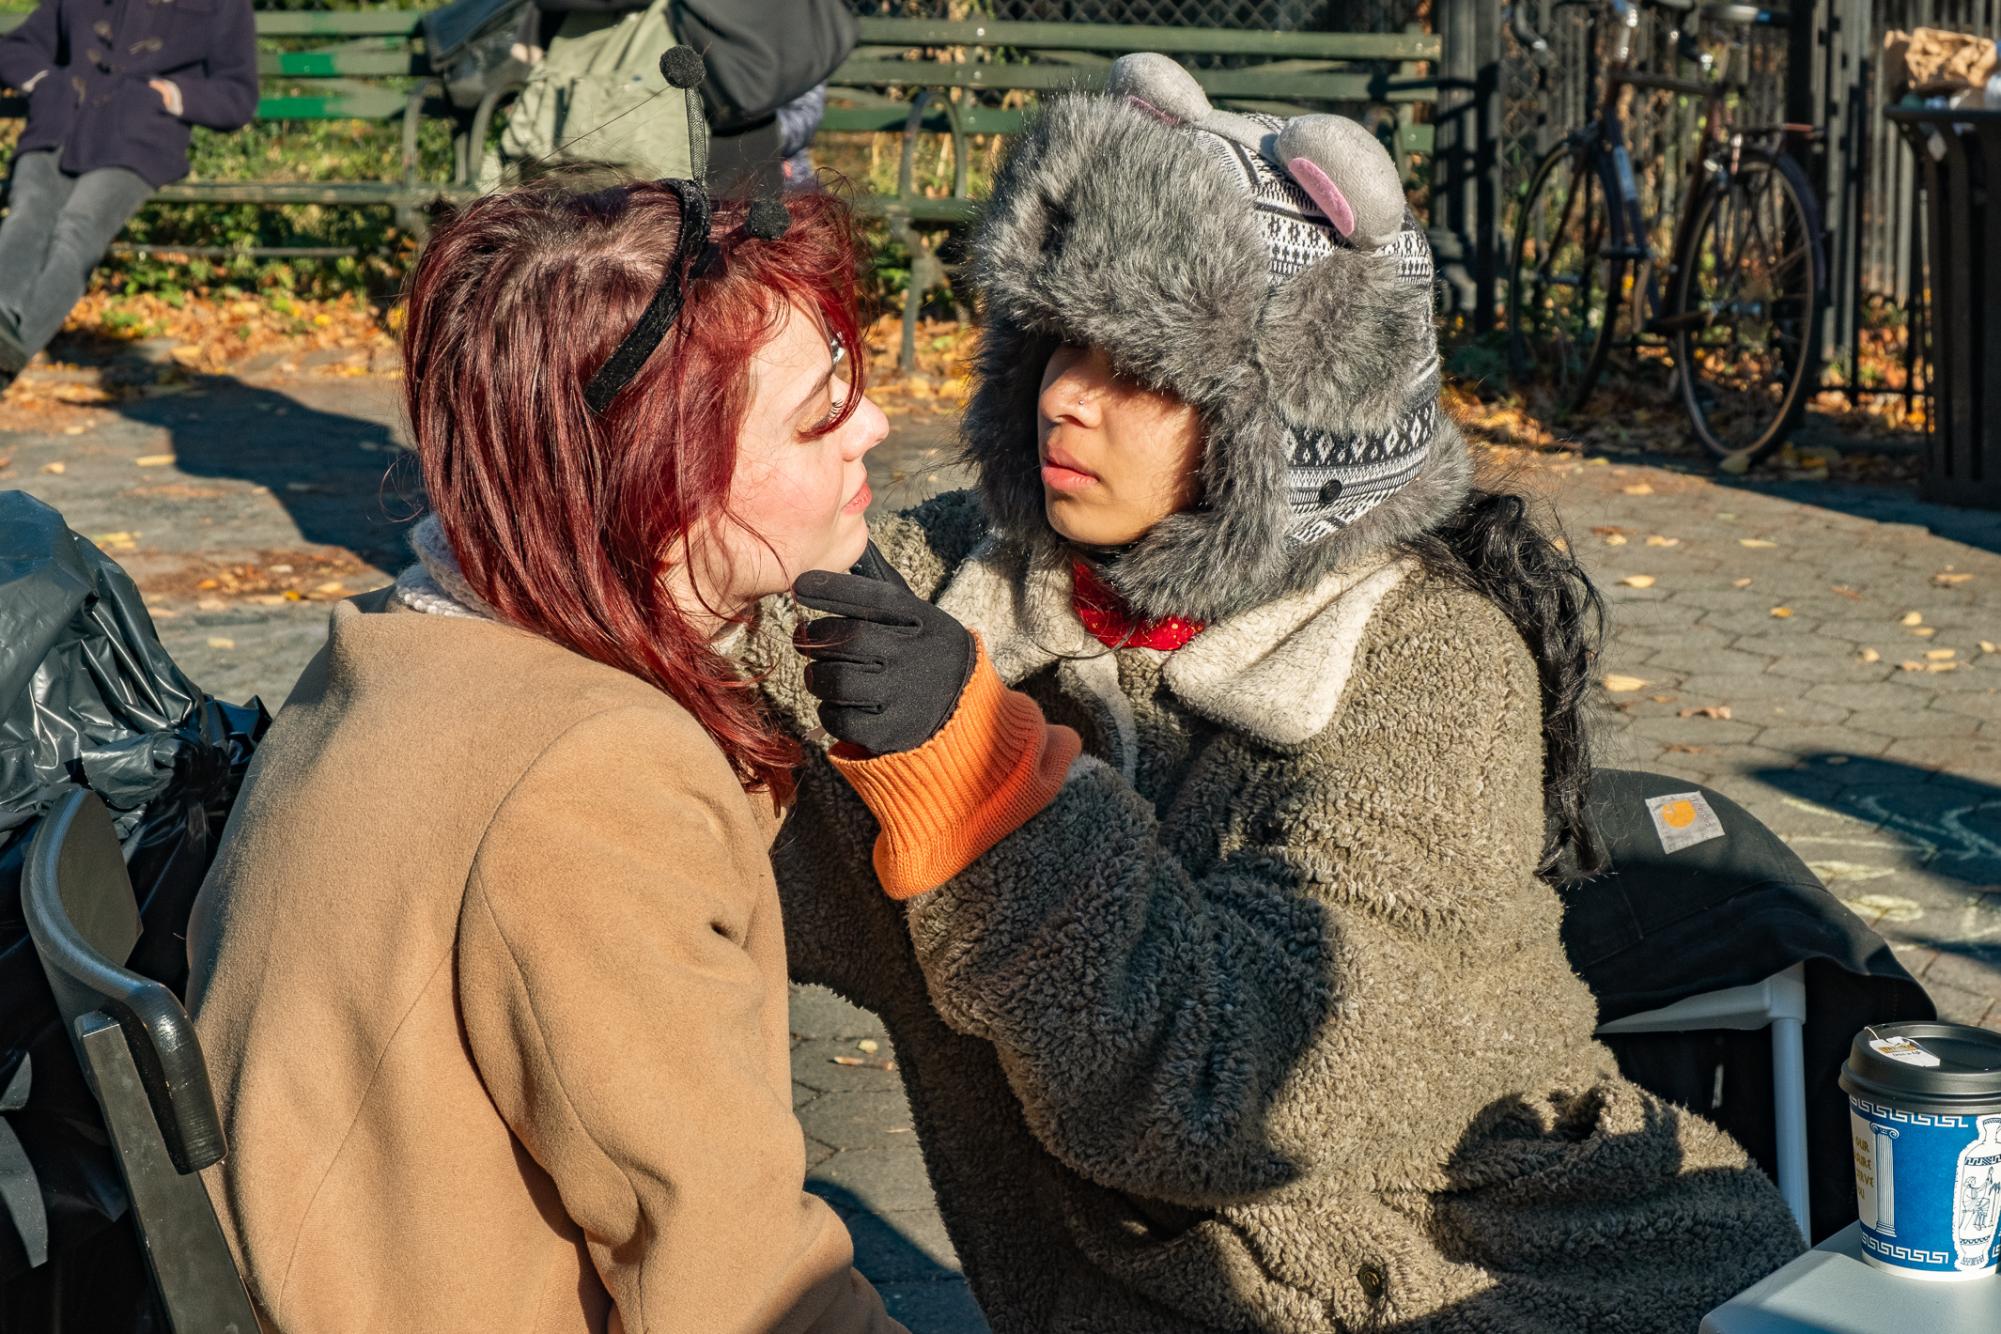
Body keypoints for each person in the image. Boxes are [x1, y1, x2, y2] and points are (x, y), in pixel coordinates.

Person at [751, 55, 1807, 1332]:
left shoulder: (1429, 661)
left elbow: (1236, 1093)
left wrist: (982, 783)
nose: (1068, 397)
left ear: (1288, 428)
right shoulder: (967, 588)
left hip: (1509, 1274)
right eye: (1056, 342)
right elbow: (712, 731)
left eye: (1144, 370)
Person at [185, 177, 905, 1334]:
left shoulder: (409, 643)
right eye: (821, 406)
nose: (872, 423)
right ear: (661, 475)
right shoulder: (590, 782)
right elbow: (741, 1287)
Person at [0, 0, 256, 390]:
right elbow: (17, 46)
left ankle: (6, 358)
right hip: (59, 124)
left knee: (78, 229)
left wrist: (170, 95)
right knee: (29, 211)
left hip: (138, 140)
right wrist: (45, 82)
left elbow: (237, 95)